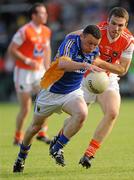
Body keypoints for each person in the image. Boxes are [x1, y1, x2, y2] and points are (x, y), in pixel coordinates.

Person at [13, 24, 105, 173]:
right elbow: (62, 64)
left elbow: (95, 61)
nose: (92, 47)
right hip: (51, 91)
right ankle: (21, 157)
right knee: (35, 127)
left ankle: (57, 147)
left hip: (72, 92)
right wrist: (85, 65)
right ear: (81, 36)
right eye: (89, 43)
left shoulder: (94, 50)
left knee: (82, 113)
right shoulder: (70, 43)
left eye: (95, 45)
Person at [51, 7, 134, 168]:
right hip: (85, 76)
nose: (116, 28)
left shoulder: (128, 40)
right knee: (79, 116)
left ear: (126, 25)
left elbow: (123, 69)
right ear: (107, 21)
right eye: (113, 23)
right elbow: (71, 36)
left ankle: (89, 154)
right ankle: (59, 141)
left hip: (106, 79)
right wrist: (62, 55)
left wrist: (100, 63)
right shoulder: (97, 30)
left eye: (120, 25)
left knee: (112, 112)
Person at [8, 3, 52, 145]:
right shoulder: (25, 31)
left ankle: (43, 132)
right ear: (34, 16)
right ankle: (17, 136)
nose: (45, 15)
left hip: (39, 72)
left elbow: (47, 51)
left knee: (47, 100)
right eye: (41, 13)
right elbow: (12, 49)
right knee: (26, 108)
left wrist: (48, 69)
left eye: (45, 13)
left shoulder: (46, 31)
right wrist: (27, 60)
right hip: (23, 73)